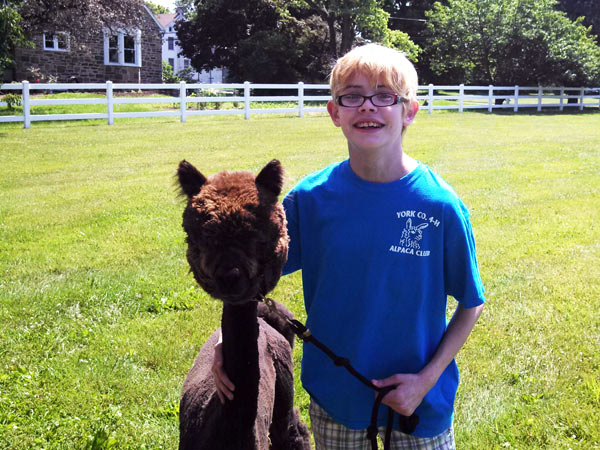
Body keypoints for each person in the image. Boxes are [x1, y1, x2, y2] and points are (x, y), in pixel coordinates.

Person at [213, 43, 485, 449]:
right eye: (353, 96)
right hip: (336, 398)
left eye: (385, 96)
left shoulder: (440, 206)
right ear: (334, 112)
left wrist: (424, 382)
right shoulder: (309, 201)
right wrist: (226, 340)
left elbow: (470, 304)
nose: (368, 107)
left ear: (409, 110)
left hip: (418, 406)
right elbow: (250, 278)